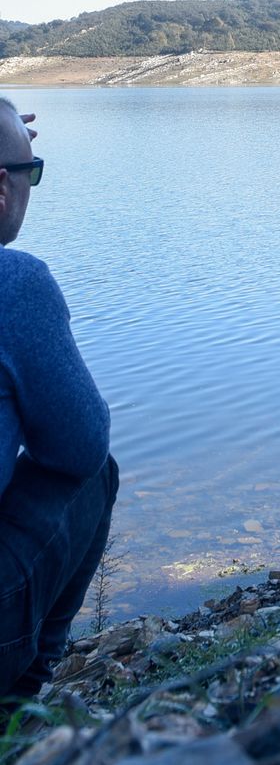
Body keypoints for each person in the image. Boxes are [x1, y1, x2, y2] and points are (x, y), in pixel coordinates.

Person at [0, 96, 117, 702]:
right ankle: (19, 704)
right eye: (32, 172)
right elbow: (79, 448)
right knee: (95, 473)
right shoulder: (13, 283)